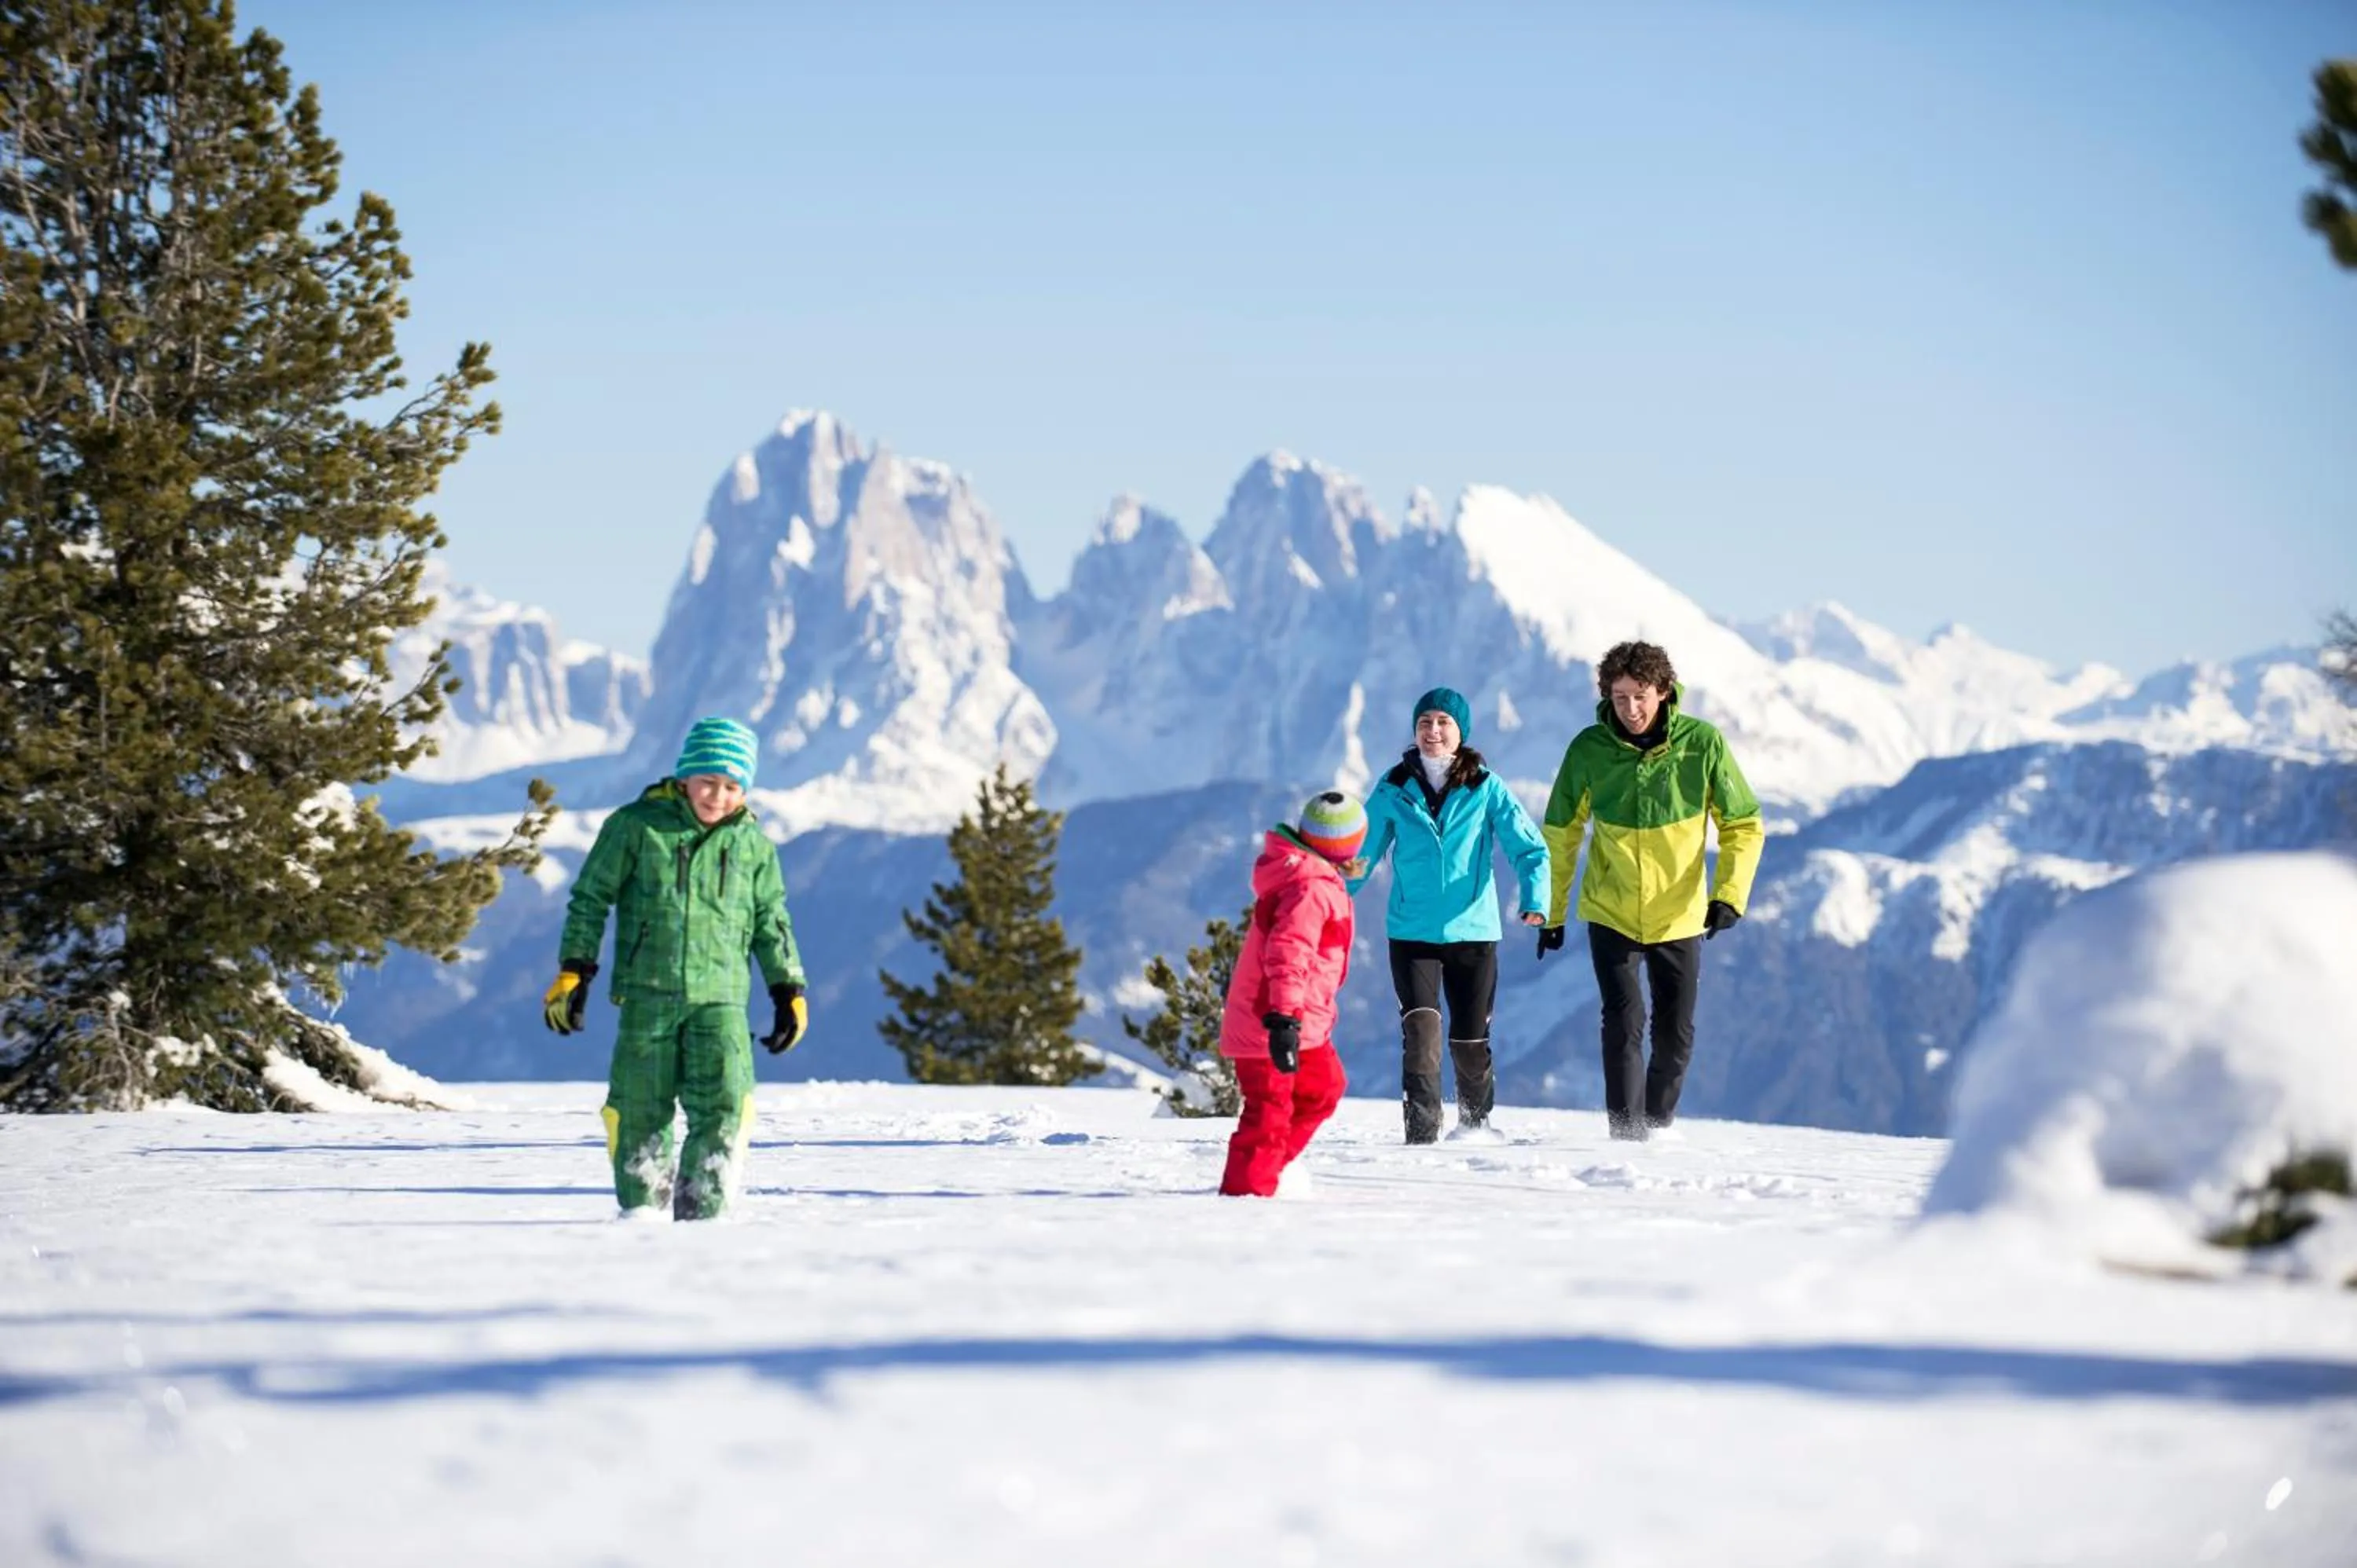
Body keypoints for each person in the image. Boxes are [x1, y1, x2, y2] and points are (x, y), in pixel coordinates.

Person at [541, 715, 808, 1219]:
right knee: (639, 1105)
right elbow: (590, 899)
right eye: (708, 781)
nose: (718, 796)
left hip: (722, 1000)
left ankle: (704, 1219)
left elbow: (772, 920)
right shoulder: (636, 827)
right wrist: (576, 970)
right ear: (684, 776)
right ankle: (642, 1216)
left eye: (732, 786)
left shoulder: (753, 845)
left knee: (726, 1105)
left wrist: (787, 988)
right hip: (649, 992)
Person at [1538, 642, 1763, 1141]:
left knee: (1675, 1032)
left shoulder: (1703, 744)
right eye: (1619, 697)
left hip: (1679, 913)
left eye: (1640, 695)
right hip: (1611, 909)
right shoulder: (1588, 749)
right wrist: (1550, 912)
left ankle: (1656, 1128)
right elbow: (1560, 834)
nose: (1631, 709)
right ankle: (1625, 1134)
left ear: (1663, 691)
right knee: (1623, 1022)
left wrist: (1729, 894)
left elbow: (1743, 823)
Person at [1350, 687, 1550, 1144]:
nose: (1433, 731)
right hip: (1412, 932)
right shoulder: (1393, 787)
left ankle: (1475, 1128)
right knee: (1421, 1034)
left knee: (1469, 1041)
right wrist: (1330, 896)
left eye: (1444, 722)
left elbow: (1530, 848)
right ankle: (1421, 1137)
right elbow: (1363, 852)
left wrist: (1535, 900)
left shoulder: (1486, 786)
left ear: (1462, 732)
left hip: (1473, 931)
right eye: (1425, 722)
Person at [1215, 790, 1367, 1197]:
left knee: (1323, 1089)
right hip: (1271, 1019)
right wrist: (1284, 1019)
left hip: (1303, 1022)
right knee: (1269, 1112)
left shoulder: (1316, 880)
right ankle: (1246, 1197)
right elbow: (1289, 953)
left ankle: (1265, 1172)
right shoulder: (1309, 889)